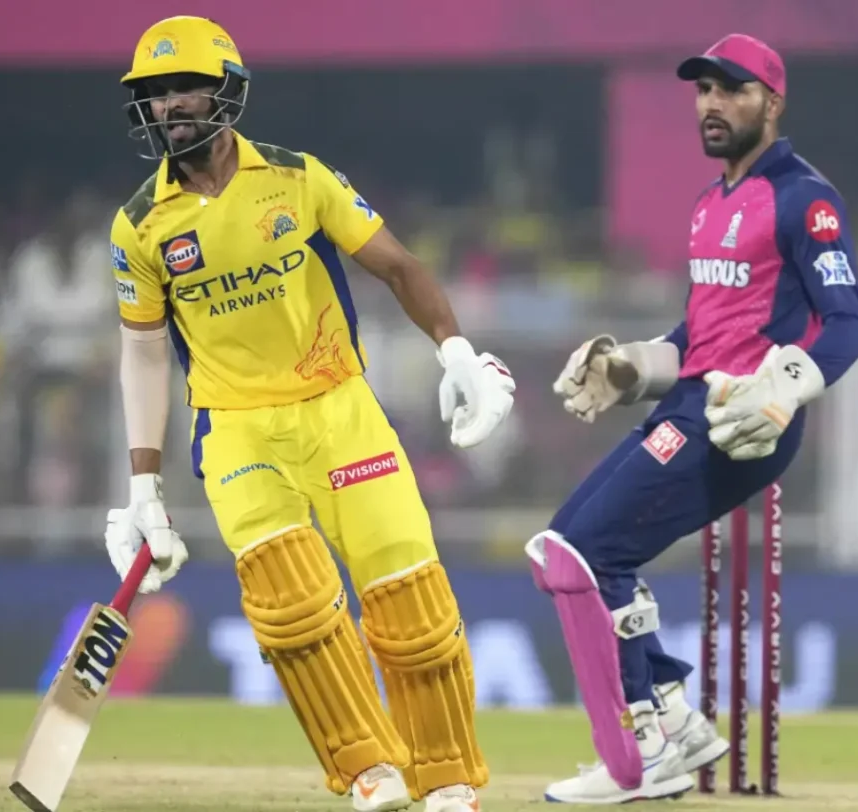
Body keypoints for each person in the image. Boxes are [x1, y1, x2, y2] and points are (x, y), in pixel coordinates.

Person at [103, 16, 515, 812]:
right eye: (154, 93)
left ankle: (447, 780)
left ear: (228, 91)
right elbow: (145, 353)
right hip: (235, 428)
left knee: (410, 600)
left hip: (339, 410)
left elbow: (399, 266)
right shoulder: (140, 225)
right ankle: (369, 769)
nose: (170, 105)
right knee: (289, 606)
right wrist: (143, 487)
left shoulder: (299, 180)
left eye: (186, 87)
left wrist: (457, 351)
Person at [528, 33, 858, 804]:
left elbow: (849, 323)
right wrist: (632, 368)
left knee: (583, 552)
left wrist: (781, 391)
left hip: (737, 422)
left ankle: (641, 749)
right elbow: (698, 335)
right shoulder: (710, 204)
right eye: (704, 90)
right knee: (564, 550)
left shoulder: (804, 199)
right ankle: (671, 718)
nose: (713, 104)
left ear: (772, 103)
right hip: (686, 404)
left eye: (733, 89)